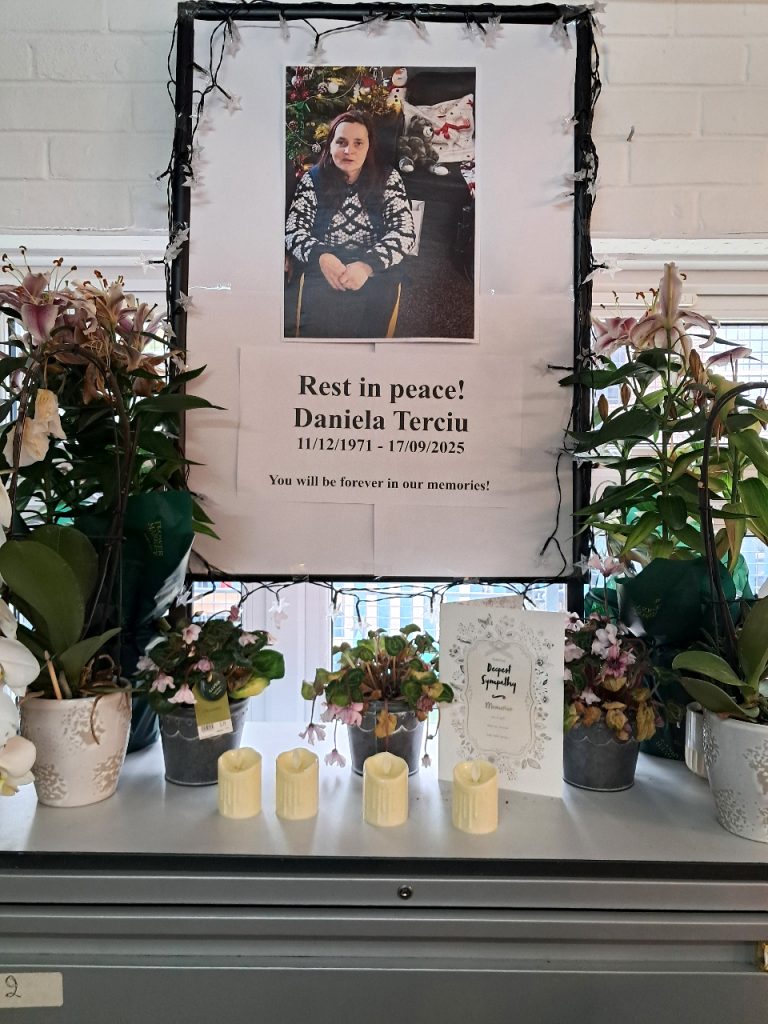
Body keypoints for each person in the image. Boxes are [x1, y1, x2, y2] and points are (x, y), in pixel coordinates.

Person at [285, 110, 416, 339]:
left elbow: (404, 231)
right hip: (325, 263)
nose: (349, 151)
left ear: (368, 147)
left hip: (374, 266)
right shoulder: (312, 179)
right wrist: (321, 256)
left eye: (358, 143)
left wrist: (367, 265)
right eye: (341, 142)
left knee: (372, 326)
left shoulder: (388, 178)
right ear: (330, 145)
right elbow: (294, 229)